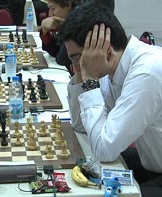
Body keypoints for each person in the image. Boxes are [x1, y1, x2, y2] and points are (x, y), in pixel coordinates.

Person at [60, 2, 162, 196]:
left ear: (105, 50)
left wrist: (89, 79)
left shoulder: (147, 72)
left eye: (76, 58)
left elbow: (104, 150)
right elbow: (81, 125)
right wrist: (83, 77)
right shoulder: (112, 68)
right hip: (149, 160)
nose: (74, 67)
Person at [40, 0, 115, 76]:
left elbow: (61, 59)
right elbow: (54, 51)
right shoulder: (68, 21)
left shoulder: (82, 25)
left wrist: (67, 28)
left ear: (68, 5)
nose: (50, 14)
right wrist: (45, 31)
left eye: (53, 8)